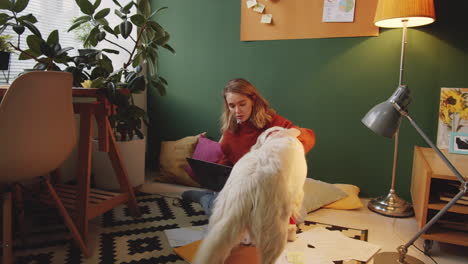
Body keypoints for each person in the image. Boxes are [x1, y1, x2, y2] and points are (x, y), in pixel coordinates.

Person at [182, 78, 316, 216]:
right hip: (241, 187)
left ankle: (208, 198)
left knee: (297, 217)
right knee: (223, 214)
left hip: (268, 187)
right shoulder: (230, 131)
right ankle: (208, 197)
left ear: (253, 100)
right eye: (232, 106)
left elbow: (309, 136)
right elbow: (228, 159)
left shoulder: (272, 121)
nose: (237, 111)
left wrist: (292, 133)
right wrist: (217, 176)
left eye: (242, 104)